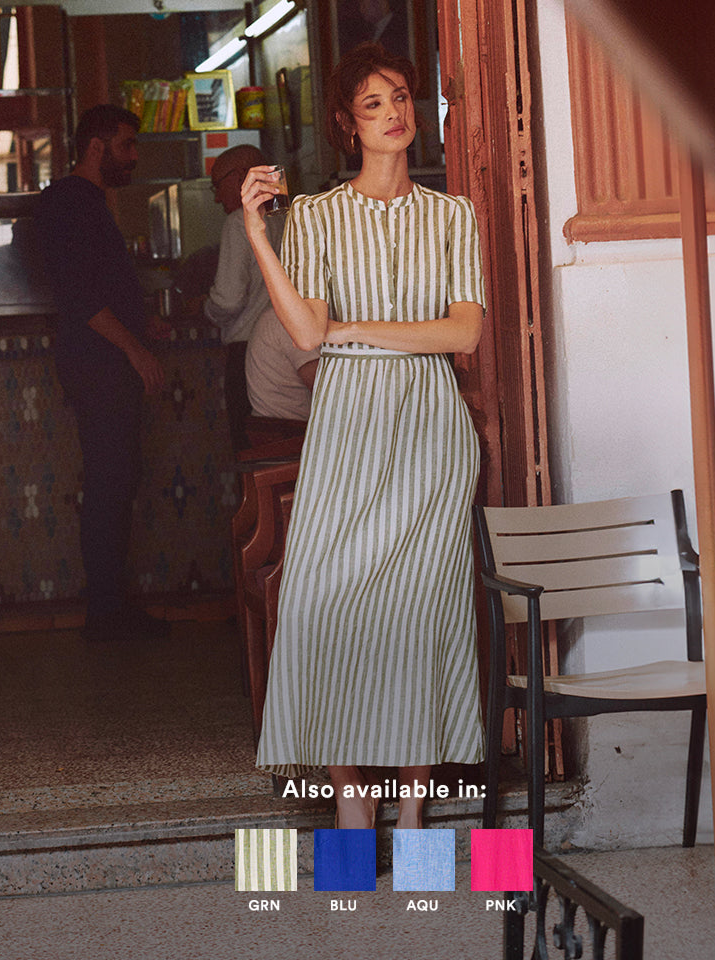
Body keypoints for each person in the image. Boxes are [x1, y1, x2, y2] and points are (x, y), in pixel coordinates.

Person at [242, 43, 486, 829]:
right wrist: (256, 232)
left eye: (402, 97)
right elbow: (310, 332)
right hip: (346, 430)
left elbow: (464, 334)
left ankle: (410, 812)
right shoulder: (309, 216)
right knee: (318, 604)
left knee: (419, 613)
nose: (394, 113)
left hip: (429, 432)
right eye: (374, 103)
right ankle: (353, 797)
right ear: (348, 124)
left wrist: (355, 327)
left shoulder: (454, 215)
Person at [33, 104, 169, 643]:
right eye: (127, 145)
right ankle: (107, 613)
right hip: (98, 364)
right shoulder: (70, 201)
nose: (133, 156)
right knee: (111, 482)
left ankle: (112, 608)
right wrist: (134, 348)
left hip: (101, 361)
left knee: (117, 479)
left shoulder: (86, 202)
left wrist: (141, 325)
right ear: (97, 145)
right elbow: (81, 294)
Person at [202, 144, 286, 450]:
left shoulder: (239, 221)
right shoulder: (289, 217)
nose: (215, 197)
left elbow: (228, 300)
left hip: (248, 354)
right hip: (292, 350)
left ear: (240, 177)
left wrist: (205, 310)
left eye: (216, 185)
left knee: (250, 449)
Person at [244, 305, 319, 423]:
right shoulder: (288, 319)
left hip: (282, 426)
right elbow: (326, 390)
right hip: (288, 430)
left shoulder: (285, 315)